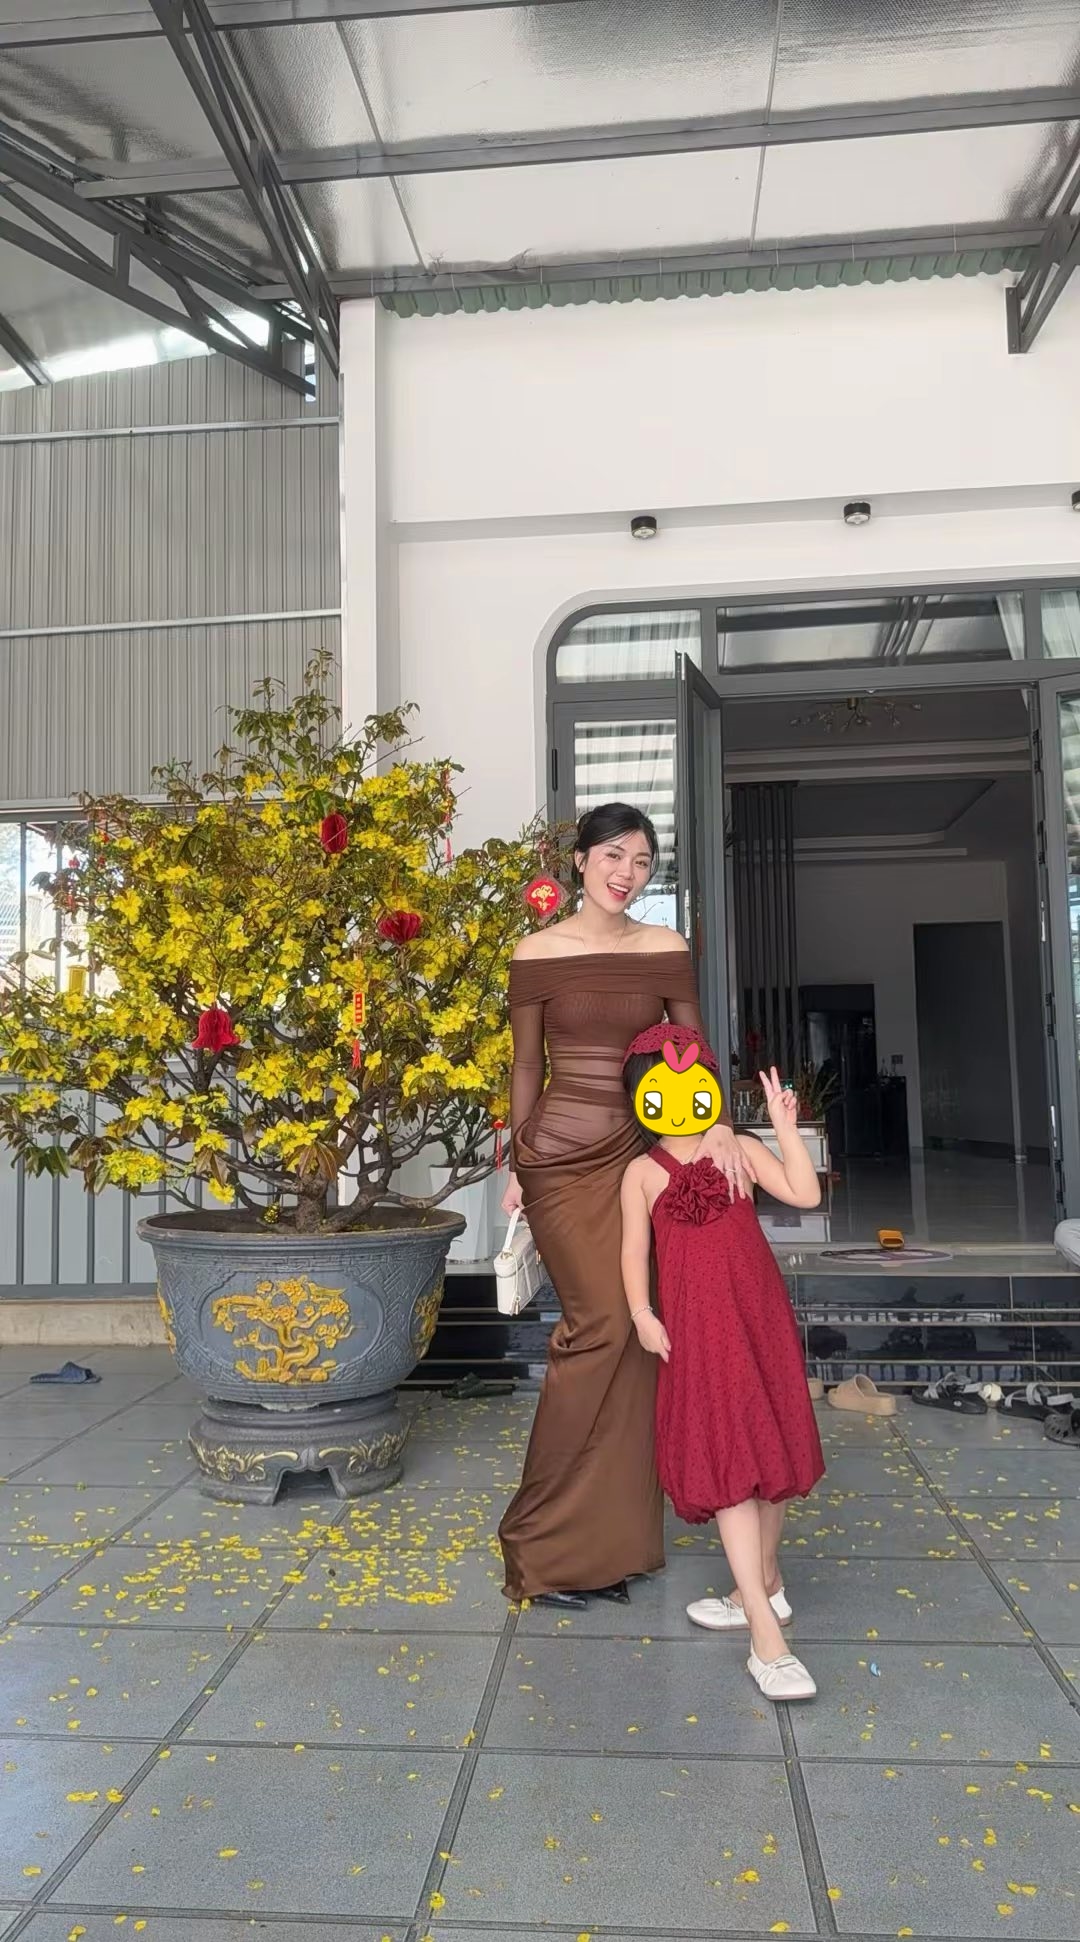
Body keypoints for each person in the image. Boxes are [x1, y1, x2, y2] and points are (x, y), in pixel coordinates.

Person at [498, 802, 751, 1609]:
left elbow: (692, 1049)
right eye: (613, 855)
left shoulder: (664, 947)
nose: (627, 873)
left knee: (644, 1342)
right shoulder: (537, 952)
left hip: (645, 1158)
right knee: (600, 1324)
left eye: (642, 861)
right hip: (560, 1159)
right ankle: (537, 1545)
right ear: (579, 861)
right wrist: (517, 1158)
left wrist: (717, 1125)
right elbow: (527, 1066)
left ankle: (608, 1551)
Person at [619, 1025, 825, 1701]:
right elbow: (633, 1250)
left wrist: (781, 1128)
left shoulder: (737, 1147)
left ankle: (761, 1584)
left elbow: (805, 1194)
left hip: (757, 1318)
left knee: (770, 1453)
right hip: (698, 1332)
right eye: (662, 1092)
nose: (680, 1104)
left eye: (693, 1090)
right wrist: (642, 1313)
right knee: (734, 1462)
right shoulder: (641, 1173)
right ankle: (766, 1635)